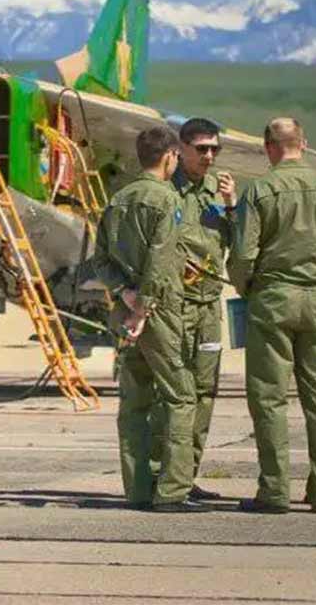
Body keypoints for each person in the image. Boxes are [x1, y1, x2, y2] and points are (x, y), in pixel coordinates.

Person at [228, 118, 316, 514]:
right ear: (304, 143)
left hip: (273, 298)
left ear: (268, 147)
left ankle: (274, 490)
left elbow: (243, 255)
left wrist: (247, 289)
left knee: (269, 397)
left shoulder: (259, 190)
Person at [85, 126, 209, 512]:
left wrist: (126, 293)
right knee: (181, 396)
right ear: (170, 156)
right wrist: (145, 307)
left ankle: (138, 489)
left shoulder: (118, 200)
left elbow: (100, 259)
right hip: (158, 313)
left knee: (134, 401)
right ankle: (173, 491)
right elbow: (160, 259)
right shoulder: (167, 199)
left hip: (125, 311)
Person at [150, 118, 236, 501]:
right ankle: (160, 475)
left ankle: (187, 475)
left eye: (215, 149)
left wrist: (232, 206)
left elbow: (239, 243)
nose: (209, 156)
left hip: (208, 307)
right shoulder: (166, 191)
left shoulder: (216, 194)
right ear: (181, 149)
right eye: (202, 149)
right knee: (171, 395)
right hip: (175, 308)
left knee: (204, 392)